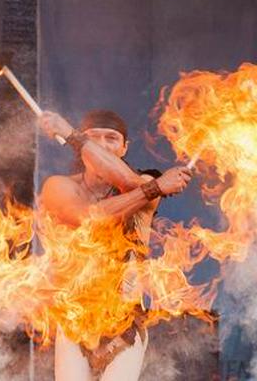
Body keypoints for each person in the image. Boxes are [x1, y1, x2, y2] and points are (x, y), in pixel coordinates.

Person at [38, 109, 192, 381]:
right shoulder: (59, 186)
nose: (101, 144)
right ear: (79, 148)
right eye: (93, 138)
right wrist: (157, 187)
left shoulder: (144, 182)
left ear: (124, 148)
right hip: (75, 320)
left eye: (111, 138)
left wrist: (72, 134)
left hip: (124, 325)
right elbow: (89, 218)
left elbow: (130, 183)